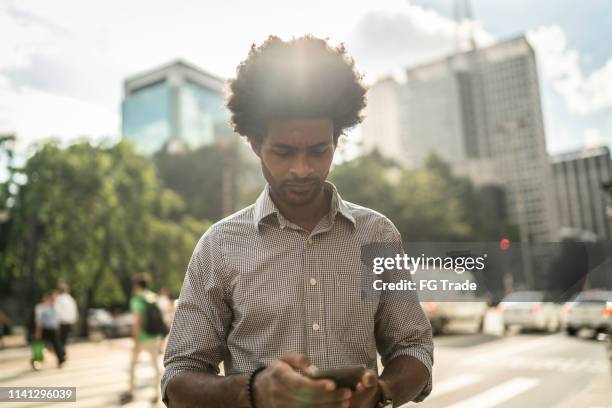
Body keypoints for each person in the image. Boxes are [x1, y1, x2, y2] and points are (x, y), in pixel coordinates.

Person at [162, 35, 433, 408]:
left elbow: (413, 347)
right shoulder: (219, 246)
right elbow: (178, 379)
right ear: (256, 144)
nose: (302, 169)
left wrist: (382, 393)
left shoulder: (378, 235)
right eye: (284, 152)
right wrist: (254, 390)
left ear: (337, 142)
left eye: (318, 151)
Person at [120, 273, 163, 405]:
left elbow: (136, 322)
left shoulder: (137, 299)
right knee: (156, 366)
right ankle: (158, 392)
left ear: (136, 285)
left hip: (142, 338)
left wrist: (135, 340)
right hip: (155, 337)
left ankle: (131, 391)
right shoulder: (153, 297)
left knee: (133, 365)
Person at [35, 292, 65, 367]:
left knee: (55, 344)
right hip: (46, 329)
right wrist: (39, 332)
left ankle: (60, 357)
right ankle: (39, 359)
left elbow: (57, 320)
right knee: (45, 345)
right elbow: (40, 322)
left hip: (52, 329)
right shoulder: (42, 307)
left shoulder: (55, 308)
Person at [54, 283, 79, 359]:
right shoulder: (70, 299)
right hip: (69, 322)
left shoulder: (59, 299)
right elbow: (74, 311)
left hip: (61, 322)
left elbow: (56, 311)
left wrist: (55, 322)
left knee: (59, 340)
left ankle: (61, 354)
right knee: (63, 339)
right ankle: (62, 353)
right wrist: (73, 321)